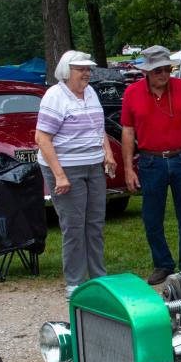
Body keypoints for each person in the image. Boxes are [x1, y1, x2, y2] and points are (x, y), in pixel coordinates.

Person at [120, 45, 181, 285]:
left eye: (167, 69)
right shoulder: (131, 93)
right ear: (146, 72)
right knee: (151, 217)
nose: (163, 74)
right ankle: (163, 263)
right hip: (150, 160)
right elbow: (128, 132)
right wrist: (128, 168)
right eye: (158, 70)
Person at [35, 50, 116, 299]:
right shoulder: (55, 96)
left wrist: (108, 153)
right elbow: (42, 138)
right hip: (66, 166)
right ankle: (75, 283)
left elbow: (98, 128)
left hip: (93, 165)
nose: (86, 73)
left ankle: (98, 278)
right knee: (74, 226)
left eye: (88, 69)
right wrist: (60, 176)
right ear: (66, 71)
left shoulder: (90, 92)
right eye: (81, 69)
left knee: (95, 223)